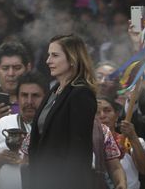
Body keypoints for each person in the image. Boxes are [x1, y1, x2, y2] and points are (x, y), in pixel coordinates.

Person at [26, 34, 97, 189]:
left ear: (72, 59)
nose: (48, 60)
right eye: (48, 55)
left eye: (55, 55)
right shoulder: (53, 91)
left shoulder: (81, 94)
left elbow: (78, 149)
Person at [0, 71, 48, 189]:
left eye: (35, 96)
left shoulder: (54, 125)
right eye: (24, 95)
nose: (29, 101)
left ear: (46, 98)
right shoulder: (3, 123)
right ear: (17, 98)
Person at [95, 96, 145, 189]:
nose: (102, 115)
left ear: (116, 116)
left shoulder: (128, 142)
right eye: (96, 112)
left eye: (107, 110)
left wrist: (133, 137)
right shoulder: (85, 145)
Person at [0, 43, 33, 130]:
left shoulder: (41, 100)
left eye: (17, 68)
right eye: (5, 68)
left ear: (28, 68)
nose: (11, 74)